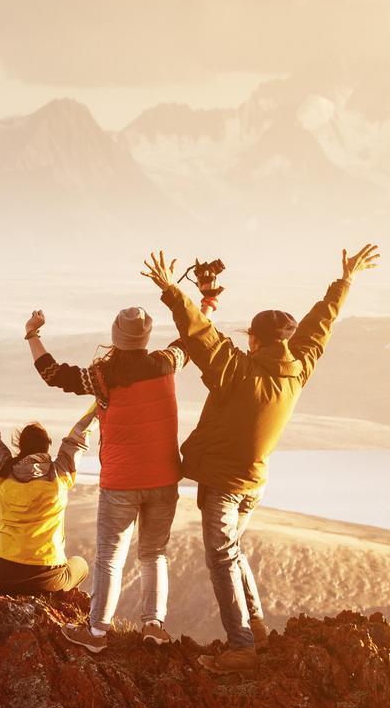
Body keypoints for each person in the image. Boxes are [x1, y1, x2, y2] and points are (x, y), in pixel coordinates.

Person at [142, 244, 381, 674]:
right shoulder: (299, 367)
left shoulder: (237, 371)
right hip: (255, 484)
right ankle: (256, 628)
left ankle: (242, 646)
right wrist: (345, 281)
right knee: (232, 553)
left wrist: (169, 289)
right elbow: (320, 324)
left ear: (253, 338)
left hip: (224, 485)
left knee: (221, 560)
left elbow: (199, 334)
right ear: (286, 341)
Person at [25, 306, 190, 652]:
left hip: (121, 482)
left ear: (116, 336)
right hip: (164, 478)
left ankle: (98, 632)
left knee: (110, 557)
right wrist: (205, 304)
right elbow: (191, 340)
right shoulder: (167, 362)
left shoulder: (102, 376)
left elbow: (53, 373)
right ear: (145, 337)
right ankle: (153, 626)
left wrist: (33, 334)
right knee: (154, 553)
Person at [0, 370, 95, 598]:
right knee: (80, 564)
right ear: (47, 447)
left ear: (19, 446)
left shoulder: (3, 470)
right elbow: (79, 435)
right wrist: (100, 404)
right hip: (47, 571)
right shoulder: (59, 474)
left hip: (6, 572)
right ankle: (56, 604)